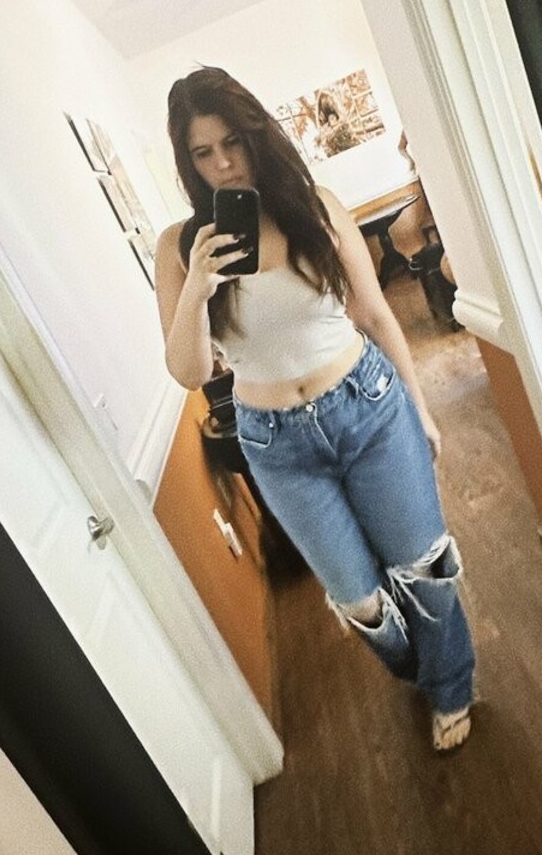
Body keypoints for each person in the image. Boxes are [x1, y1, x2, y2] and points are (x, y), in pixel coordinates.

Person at [154, 67, 475, 752]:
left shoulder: (315, 207)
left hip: (368, 405)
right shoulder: (179, 247)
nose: (223, 164)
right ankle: (419, 668)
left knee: (423, 566)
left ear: (257, 135)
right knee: (360, 600)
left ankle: (450, 684)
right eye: (203, 153)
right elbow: (189, 371)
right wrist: (198, 288)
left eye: (232, 143)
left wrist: (420, 407)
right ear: (187, 161)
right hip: (276, 444)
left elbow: (375, 313)